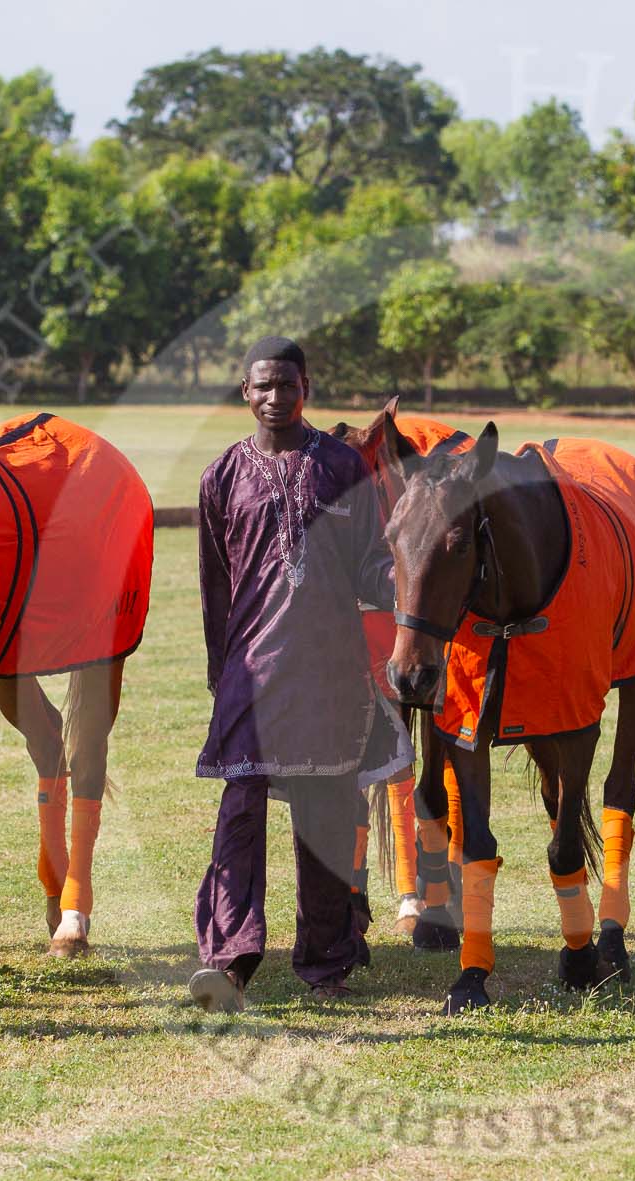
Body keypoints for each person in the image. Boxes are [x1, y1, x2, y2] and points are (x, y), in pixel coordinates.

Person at [192, 337, 406, 1010]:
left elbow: (371, 563)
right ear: (245, 392)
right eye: (264, 386)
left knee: (325, 818)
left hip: (329, 671)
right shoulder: (221, 476)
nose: (276, 396)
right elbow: (213, 587)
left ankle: (325, 963)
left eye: (288, 384)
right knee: (239, 816)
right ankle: (228, 962)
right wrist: (219, 670)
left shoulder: (343, 465)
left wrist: (410, 578)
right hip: (251, 674)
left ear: (305, 386)